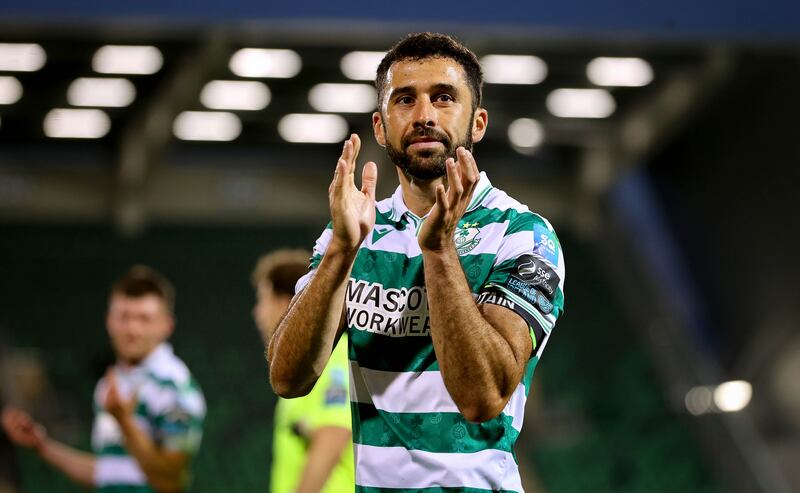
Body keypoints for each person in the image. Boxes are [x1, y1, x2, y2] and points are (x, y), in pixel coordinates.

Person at [267, 32, 566, 492]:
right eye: (405, 100)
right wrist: (341, 252)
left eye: (443, 98)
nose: (424, 115)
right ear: (380, 127)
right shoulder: (353, 233)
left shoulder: (522, 235)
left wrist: (439, 248)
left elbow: (482, 397)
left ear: (478, 122)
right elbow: (288, 378)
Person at [1, 266, 205, 493]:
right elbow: (109, 473)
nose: (132, 329)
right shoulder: (110, 385)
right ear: (109, 320)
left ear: (166, 326)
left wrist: (125, 422)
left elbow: (170, 482)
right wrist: (42, 446)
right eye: (124, 317)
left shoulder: (175, 388)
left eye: (144, 319)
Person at [252, 250, 353, 493]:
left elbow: (332, 435)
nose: (257, 313)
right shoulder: (313, 362)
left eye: (262, 300)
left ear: (286, 302)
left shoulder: (328, 358)